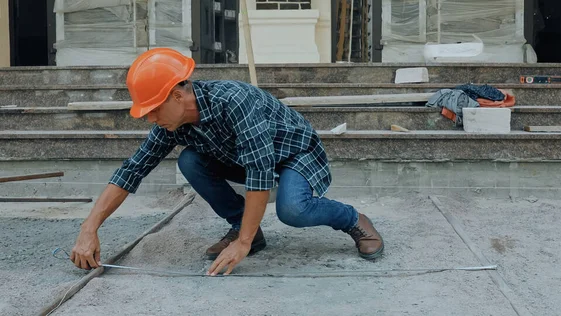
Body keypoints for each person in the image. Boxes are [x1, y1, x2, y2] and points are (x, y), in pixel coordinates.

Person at [70, 48, 384, 276]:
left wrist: (241, 245)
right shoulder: (171, 124)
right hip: (246, 158)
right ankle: (245, 228)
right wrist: (89, 228)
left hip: (294, 153)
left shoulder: (235, 101)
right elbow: (132, 169)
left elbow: (260, 172)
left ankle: (353, 220)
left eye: (153, 109)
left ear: (178, 96)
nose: (150, 118)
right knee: (190, 161)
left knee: (293, 210)